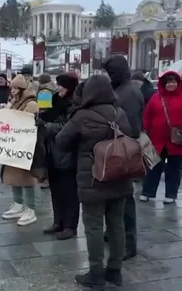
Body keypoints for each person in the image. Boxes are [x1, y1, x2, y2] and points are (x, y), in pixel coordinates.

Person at [55, 75, 134, 289]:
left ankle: (96, 273)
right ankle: (115, 271)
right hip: (119, 176)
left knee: (93, 226)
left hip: (93, 178)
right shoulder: (120, 113)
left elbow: (61, 141)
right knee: (117, 224)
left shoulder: (82, 116)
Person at [102, 55, 145, 261]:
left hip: (124, 150)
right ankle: (115, 234)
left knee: (125, 199)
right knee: (117, 196)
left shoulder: (127, 93)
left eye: (110, 73)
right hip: (121, 148)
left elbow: (133, 127)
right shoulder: (124, 89)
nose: (108, 77)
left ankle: (129, 242)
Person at [140, 71, 182, 203]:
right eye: (168, 82)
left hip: (178, 141)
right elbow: (147, 115)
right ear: (164, 84)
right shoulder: (155, 98)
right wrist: (144, 130)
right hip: (157, 140)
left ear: (178, 83)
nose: (171, 84)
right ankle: (148, 192)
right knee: (153, 166)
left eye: (174, 82)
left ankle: (171, 194)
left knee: (174, 169)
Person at [38, 72, 79, 239]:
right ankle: (58, 222)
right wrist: (40, 115)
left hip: (67, 153)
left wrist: (46, 125)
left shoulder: (75, 103)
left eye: (61, 85)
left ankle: (70, 226)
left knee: (69, 191)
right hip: (51, 152)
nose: (58, 87)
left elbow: (67, 127)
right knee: (55, 190)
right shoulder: (53, 99)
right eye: (58, 84)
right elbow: (46, 117)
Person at [1, 75, 39, 226]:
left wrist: (9, 113)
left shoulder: (30, 103)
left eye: (17, 88)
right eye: (12, 88)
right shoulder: (14, 102)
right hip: (14, 145)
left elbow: (25, 122)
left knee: (27, 178)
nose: (14, 91)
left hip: (25, 146)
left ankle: (30, 209)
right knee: (14, 176)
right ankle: (18, 203)